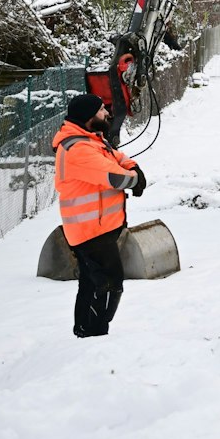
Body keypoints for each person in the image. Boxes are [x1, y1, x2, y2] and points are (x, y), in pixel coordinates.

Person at [52, 93, 146, 338]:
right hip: (90, 230)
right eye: (102, 110)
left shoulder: (91, 140)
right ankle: (94, 334)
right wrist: (134, 179)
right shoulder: (78, 149)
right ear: (88, 117)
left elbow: (117, 158)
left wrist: (133, 167)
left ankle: (85, 330)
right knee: (108, 284)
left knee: (92, 283)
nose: (107, 113)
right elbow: (115, 177)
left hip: (98, 227)